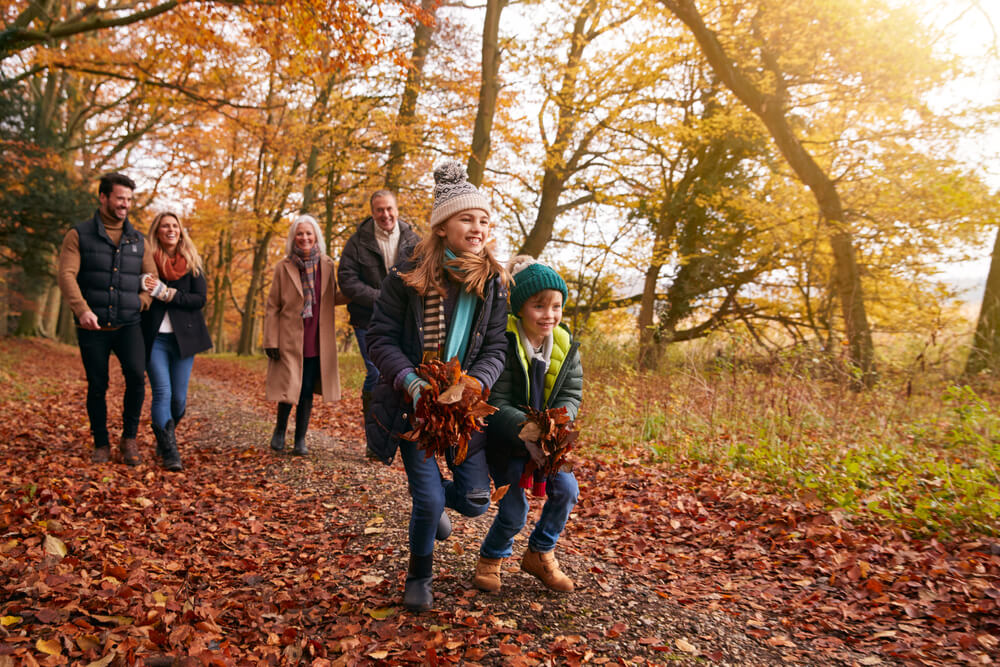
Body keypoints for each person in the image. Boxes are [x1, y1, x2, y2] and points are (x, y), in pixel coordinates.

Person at [365, 161, 510, 611]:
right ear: (442, 227)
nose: (477, 226)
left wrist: (475, 383)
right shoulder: (406, 276)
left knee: (473, 500)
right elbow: (380, 338)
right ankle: (419, 574)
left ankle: (435, 515)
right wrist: (411, 382)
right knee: (426, 499)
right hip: (416, 406)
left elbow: (497, 348)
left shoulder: (494, 282)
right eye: (467, 218)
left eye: (484, 220)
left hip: (464, 408)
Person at [472, 256, 582, 594]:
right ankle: (492, 556)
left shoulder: (565, 345)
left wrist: (558, 423)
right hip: (508, 439)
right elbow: (497, 399)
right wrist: (523, 426)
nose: (549, 314)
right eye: (539, 306)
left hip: (546, 441)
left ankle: (540, 551)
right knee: (515, 508)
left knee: (567, 491)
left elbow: (572, 392)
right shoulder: (504, 343)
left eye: (556, 306)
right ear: (520, 308)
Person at [58, 172, 158, 465]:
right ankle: (101, 443)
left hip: (129, 324)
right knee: (97, 385)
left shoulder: (138, 240)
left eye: (128, 199)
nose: (124, 204)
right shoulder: (79, 235)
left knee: (137, 380)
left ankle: (129, 439)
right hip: (93, 326)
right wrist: (81, 309)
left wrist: (142, 302)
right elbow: (66, 275)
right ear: (103, 197)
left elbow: (151, 280)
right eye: (119, 198)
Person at [263, 214, 344, 456]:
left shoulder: (328, 265)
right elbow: (272, 306)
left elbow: (334, 296)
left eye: (309, 233)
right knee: (290, 387)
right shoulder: (283, 266)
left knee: (307, 388)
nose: (305, 237)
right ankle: (279, 431)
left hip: (317, 337)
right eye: (300, 234)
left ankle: (300, 439)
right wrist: (270, 339)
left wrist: (359, 293)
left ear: (316, 236)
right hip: (289, 336)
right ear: (294, 238)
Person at [140, 211, 213, 471]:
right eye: (165, 226)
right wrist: (144, 285)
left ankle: (164, 437)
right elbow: (137, 289)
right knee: (162, 392)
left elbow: (199, 299)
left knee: (179, 400)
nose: (171, 230)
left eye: (175, 226)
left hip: (185, 338)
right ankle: (171, 452)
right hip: (154, 338)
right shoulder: (147, 260)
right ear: (157, 232)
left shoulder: (191, 261)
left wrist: (169, 294)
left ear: (180, 231)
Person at [337, 190, 419, 418]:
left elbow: (425, 274)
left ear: (397, 209)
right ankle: (373, 428)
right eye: (380, 210)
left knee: (401, 371)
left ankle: (395, 427)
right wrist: (380, 299)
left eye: (389, 208)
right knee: (375, 371)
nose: (386, 214)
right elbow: (347, 279)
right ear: (373, 213)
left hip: (405, 320)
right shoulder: (357, 241)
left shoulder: (413, 240)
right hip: (367, 319)